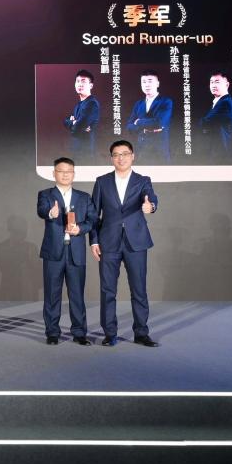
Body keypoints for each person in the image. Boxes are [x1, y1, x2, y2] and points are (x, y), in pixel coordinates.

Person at [89, 140, 160, 347]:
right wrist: (93, 240)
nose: (121, 158)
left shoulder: (143, 180)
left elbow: (152, 200)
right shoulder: (102, 182)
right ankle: (110, 334)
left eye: (125, 154)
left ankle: (141, 333)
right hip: (108, 242)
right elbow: (94, 215)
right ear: (111, 158)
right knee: (107, 290)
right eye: (116, 154)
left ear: (132, 156)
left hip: (135, 242)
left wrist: (150, 207)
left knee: (139, 290)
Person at [37, 157, 97, 346]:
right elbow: (41, 210)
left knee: (77, 294)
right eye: (61, 171)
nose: (65, 174)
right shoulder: (45, 194)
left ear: (73, 174)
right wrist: (51, 213)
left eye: (69, 171)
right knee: (52, 294)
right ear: (54, 173)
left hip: (76, 252)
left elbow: (92, 220)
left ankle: (79, 333)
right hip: (53, 252)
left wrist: (80, 228)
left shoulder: (84, 197)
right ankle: (52, 333)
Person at [125, 71, 173, 163]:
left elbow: (159, 123)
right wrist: (144, 127)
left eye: (150, 81)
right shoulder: (138, 104)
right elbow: (129, 126)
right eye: (144, 82)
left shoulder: (166, 101)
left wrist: (138, 122)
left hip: (159, 149)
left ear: (157, 83)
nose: (147, 84)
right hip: (141, 149)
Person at [197, 71, 232, 160]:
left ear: (227, 85)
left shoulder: (225, 103)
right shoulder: (220, 101)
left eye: (217, 82)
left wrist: (203, 124)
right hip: (218, 150)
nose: (213, 85)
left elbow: (204, 122)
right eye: (211, 82)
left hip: (220, 153)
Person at [63, 70, 100, 160]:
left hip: (85, 152)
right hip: (76, 150)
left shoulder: (92, 103)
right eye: (78, 81)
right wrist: (74, 123)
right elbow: (65, 121)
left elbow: (77, 128)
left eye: (83, 81)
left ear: (91, 85)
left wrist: (74, 123)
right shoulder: (78, 105)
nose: (80, 84)